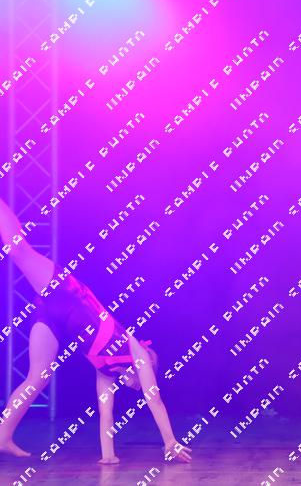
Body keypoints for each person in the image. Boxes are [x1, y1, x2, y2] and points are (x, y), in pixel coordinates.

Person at [0, 198, 191, 464]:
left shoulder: (107, 372)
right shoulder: (137, 352)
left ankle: (3, 436)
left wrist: (108, 457)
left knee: (38, 377)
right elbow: (155, 400)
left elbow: (106, 415)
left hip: (53, 318)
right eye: (142, 383)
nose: (139, 388)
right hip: (67, 292)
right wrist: (170, 441)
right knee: (19, 250)